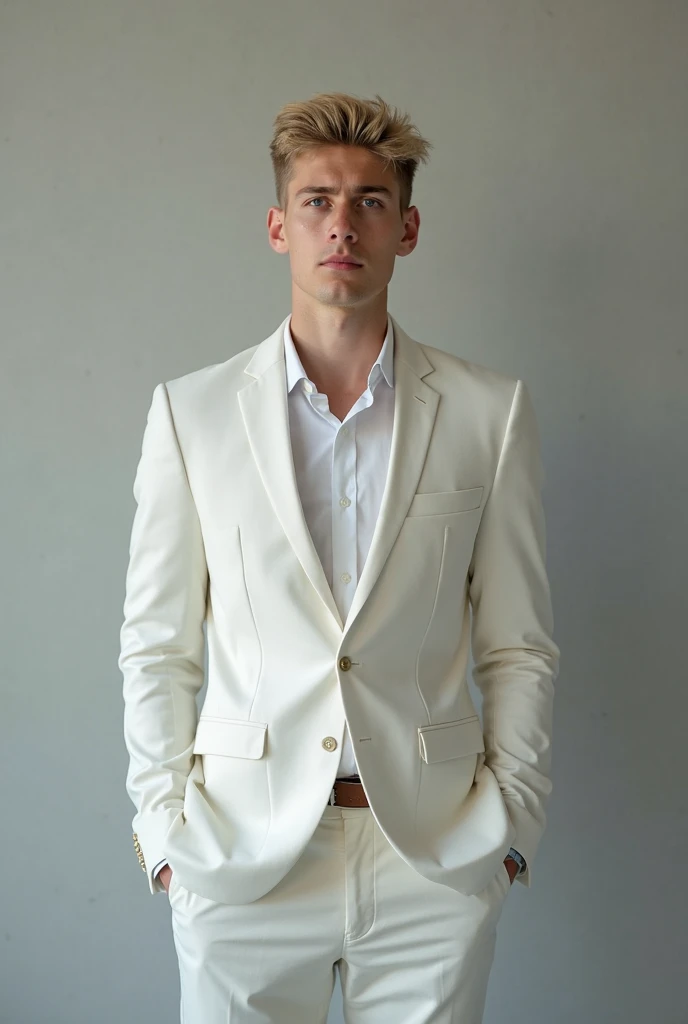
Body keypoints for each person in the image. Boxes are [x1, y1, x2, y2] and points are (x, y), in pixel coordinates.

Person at [119, 91, 560, 1024]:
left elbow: (517, 644)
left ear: (407, 227)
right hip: (242, 857)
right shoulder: (191, 416)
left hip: (430, 856)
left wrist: (509, 822)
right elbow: (158, 647)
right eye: (317, 200)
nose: (342, 224)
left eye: (369, 200)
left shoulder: (489, 413)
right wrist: (164, 832)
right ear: (279, 226)